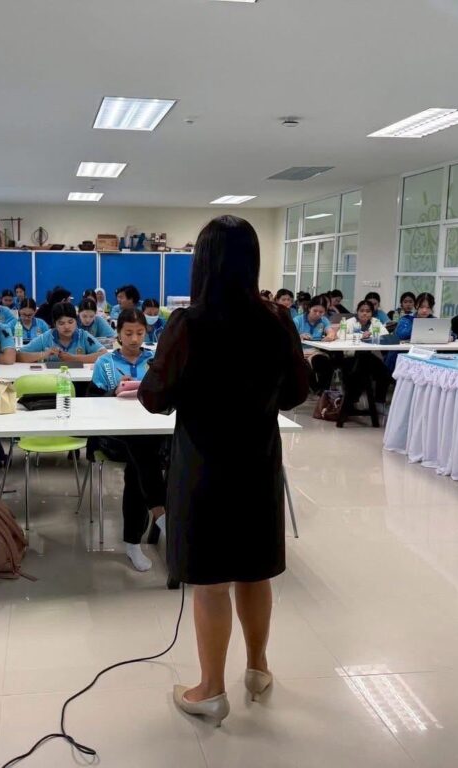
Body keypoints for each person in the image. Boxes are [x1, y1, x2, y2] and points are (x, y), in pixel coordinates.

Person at [139, 215, 308, 725]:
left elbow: (154, 398)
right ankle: (258, 668)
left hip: (203, 469)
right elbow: (297, 392)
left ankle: (211, 689)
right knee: (254, 572)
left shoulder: (187, 325)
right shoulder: (278, 320)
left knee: (212, 582)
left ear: (202, 263)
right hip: (257, 465)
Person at [89, 308, 166, 571]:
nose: (134, 339)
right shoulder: (105, 363)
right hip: (114, 438)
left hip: (152, 434)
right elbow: (90, 404)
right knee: (141, 454)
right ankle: (160, 514)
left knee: (140, 461)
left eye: (140, 333)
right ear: (118, 334)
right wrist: (113, 392)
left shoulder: (156, 361)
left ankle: (135, 541)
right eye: (128, 333)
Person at [18, 303, 106, 364]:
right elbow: (18, 355)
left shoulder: (84, 336)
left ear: (76, 321)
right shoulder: (46, 337)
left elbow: (104, 354)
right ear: (54, 324)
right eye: (61, 323)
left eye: (70, 322)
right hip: (52, 381)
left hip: (80, 382)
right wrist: (43, 354)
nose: (67, 327)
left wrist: (74, 358)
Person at [294, 295, 337, 391]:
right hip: (300, 352)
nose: (318, 314)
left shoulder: (323, 320)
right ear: (309, 308)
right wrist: (299, 336)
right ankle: (316, 391)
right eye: (315, 311)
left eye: (321, 312)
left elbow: (331, 332)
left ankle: (323, 392)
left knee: (326, 365)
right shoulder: (298, 320)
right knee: (305, 368)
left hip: (315, 352)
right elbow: (289, 337)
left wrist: (330, 335)